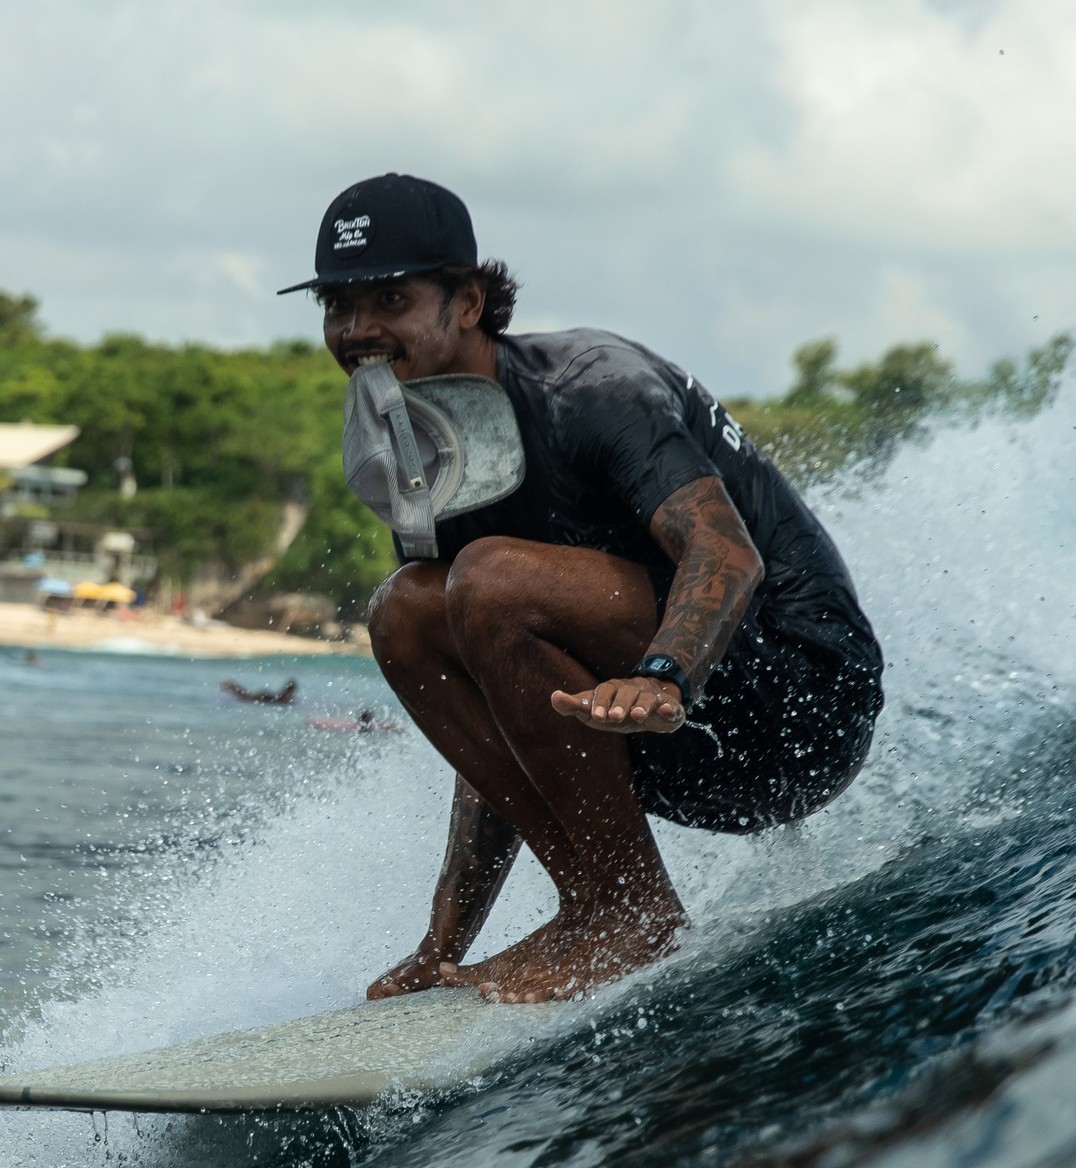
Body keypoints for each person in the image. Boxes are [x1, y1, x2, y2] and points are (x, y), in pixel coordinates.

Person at [286, 174, 884, 1004]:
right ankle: (598, 905)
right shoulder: (427, 460)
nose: (357, 331)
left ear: (469, 301)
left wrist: (663, 676)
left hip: (798, 708)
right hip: (666, 749)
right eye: (337, 306)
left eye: (389, 298)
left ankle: (629, 914)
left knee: (487, 580)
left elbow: (725, 551)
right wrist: (443, 943)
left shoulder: (592, 386)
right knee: (405, 611)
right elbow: (503, 703)